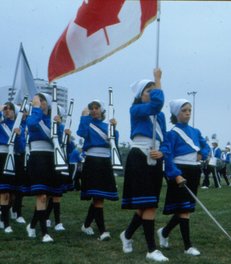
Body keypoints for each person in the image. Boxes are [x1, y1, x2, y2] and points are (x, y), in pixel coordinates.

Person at [119, 68, 169, 262]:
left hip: (155, 159)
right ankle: (151, 249)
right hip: (139, 157)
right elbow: (156, 104)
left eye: (153, 89)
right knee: (148, 204)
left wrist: (162, 151)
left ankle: (127, 235)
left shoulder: (161, 116)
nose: (153, 91)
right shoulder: (137, 109)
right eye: (149, 90)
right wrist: (157, 80)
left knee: (146, 204)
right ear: (140, 95)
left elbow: (164, 138)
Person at [158, 98, 210, 257]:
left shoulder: (196, 132)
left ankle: (164, 232)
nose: (187, 113)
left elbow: (205, 146)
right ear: (176, 113)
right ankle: (188, 246)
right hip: (180, 171)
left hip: (194, 171)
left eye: (189, 110)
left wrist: (203, 153)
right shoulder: (171, 134)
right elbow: (167, 156)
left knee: (185, 208)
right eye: (184, 110)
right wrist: (175, 175)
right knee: (184, 209)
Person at [77, 99, 119, 241]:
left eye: (96, 108)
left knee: (99, 197)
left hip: (105, 161)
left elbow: (114, 143)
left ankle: (86, 225)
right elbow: (81, 133)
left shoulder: (107, 126)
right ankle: (103, 231)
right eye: (91, 108)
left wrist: (114, 128)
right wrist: (84, 117)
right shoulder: (87, 124)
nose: (94, 110)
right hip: (92, 161)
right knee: (97, 197)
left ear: (102, 110)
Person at [25, 93, 64, 243]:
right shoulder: (34, 116)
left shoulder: (51, 120)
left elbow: (58, 141)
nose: (40, 103)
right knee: (41, 195)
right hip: (37, 157)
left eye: (42, 101)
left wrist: (59, 125)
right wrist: (35, 108)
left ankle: (32, 225)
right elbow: (32, 124)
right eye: (38, 101)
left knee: (46, 196)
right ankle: (44, 233)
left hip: (50, 158)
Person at [0, 102, 26, 233]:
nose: (7, 111)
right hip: (1, 155)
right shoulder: (1, 123)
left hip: (12, 158)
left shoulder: (18, 126)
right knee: (3, 191)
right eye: (6, 109)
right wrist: (1, 109)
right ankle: (5, 221)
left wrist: (19, 135)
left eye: (10, 109)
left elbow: (21, 148)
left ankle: (5, 221)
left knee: (8, 191)